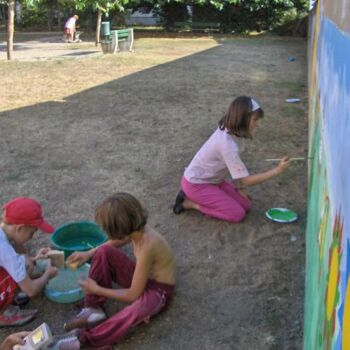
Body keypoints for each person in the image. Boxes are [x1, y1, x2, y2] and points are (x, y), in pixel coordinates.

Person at [62, 192, 176, 349]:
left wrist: (97, 289)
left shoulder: (147, 246)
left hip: (159, 292)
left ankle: (86, 339)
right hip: (143, 279)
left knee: (133, 311)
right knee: (103, 251)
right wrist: (89, 253)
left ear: (117, 229)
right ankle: (93, 308)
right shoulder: (135, 228)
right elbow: (118, 240)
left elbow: (132, 295)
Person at [173, 95, 291, 223]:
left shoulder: (227, 128)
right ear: (243, 119)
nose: (257, 125)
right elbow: (245, 181)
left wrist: (239, 189)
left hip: (213, 181)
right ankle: (189, 203)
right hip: (196, 184)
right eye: (255, 120)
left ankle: (206, 196)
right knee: (237, 214)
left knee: (246, 205)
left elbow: (235, 171)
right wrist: (277, 170)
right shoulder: (227, 145)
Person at [0, 197, 58, 327]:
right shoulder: (5, 249)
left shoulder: (3, 232)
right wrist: (47, 274)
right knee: (23, 266)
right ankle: (4, 314)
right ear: (19, 228)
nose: (31, 238)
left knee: (25, 264)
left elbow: (19, 257)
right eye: (31, 233)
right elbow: (31, 290)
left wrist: (35, 259)